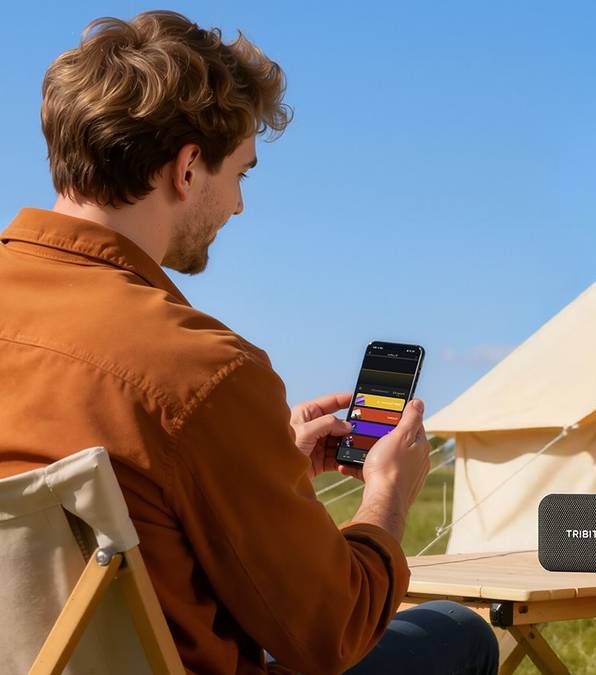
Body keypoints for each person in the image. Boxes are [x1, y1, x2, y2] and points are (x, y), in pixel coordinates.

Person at [0, 11, 498, 675]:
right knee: (457, 632)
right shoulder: (198, 370)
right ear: (186, 168)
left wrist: (265, 460)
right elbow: (329, 632)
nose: (237, 205)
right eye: (241, 173)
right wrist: (389, 494)